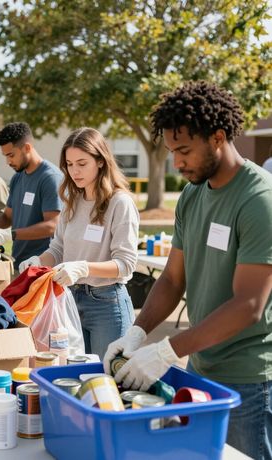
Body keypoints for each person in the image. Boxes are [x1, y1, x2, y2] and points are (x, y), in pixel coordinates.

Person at [103, 81, 272, 460]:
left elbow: (249, 305)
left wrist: (166, 352)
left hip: (249, 378)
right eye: (171, 151)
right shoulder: (194, 194)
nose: (177, 163)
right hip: (201, 361)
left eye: (184, 150)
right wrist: (137, 331)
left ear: (217, 137)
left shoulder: (259, 199)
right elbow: (172, 278)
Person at [19, 127, 139, 359]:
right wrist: (37, 261)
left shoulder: (119, 203)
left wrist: (83, 267)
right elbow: (58, 248)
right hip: (70, 299)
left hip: (107, 303)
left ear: (101, 161)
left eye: (82, 163)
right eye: (69, 164)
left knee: (108, 380)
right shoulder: (71, 201)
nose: (74, 171)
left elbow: (125, 264)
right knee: (75, 374)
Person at [0, 122, 63, 267]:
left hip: (41, 265)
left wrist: (9, 235)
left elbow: (53, 226)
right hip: (17, 262)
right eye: (5, 156)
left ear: (27, 147)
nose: (8, 161)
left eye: (11, 155)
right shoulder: (18, 177)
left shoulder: (50, 177)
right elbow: (7, 217)